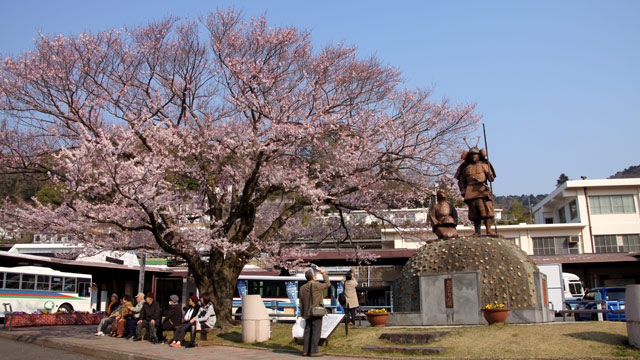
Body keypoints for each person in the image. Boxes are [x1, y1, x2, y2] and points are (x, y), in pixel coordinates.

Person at [454, 146, 497, 236]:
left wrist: (489, 174)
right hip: (470, 192)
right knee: (475, 213)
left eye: (475, 154)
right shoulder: (465, 168)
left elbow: (491, 179)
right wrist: (463, 190)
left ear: (479, 156)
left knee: (487, 212)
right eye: (471, 155)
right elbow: (461, 181)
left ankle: (488, 230)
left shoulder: (484, 165)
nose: (474, 156)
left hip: (482, 190)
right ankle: (477, 232)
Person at [299, 267, 330, 357]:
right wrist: (324, 274)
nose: (316, 276)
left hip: (307, 312)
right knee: (316, 331)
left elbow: (301, 302)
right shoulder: (317, 285)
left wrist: (303, 313)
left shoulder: (302, 288)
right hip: (316, 312)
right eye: (315, 275)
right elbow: (328, 284)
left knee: (307, 331)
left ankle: (305, 351)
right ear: (313, 277)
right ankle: (314, 351)